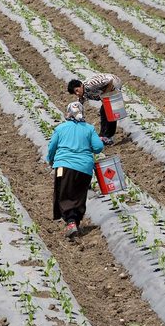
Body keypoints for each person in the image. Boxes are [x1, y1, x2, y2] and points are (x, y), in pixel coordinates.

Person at [47, 102, 104, 238]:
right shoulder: (89, 129)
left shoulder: (61, 128)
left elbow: (52, 147)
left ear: (68, 113)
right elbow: (98, 147)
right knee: (79, 194)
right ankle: (75, 222)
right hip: (84, 168)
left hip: (64, 166)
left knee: (64, 193)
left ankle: (71, 222)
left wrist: (50, 159)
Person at [67, 74, 123, 145]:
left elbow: (109, 81)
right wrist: (70, 115)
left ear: (81, 85)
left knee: (109, 110)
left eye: (77, 90)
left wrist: (106, 95)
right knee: (103, 111)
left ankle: (108, 137)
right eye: (75, 93)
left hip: (114, 83)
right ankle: (102, 135)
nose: (77, 93)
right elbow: (78, 106)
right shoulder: (83, 94)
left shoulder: (91, 85)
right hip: (105, 87)